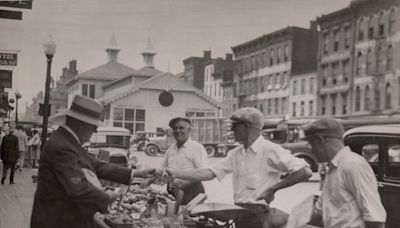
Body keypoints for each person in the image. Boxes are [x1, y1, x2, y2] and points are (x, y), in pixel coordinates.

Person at [166, 107, 312, 228]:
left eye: (234, 127)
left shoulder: (269, 149)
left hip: (258, 216)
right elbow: (209, 173)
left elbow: (305, 171)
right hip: (240, 214)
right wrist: (175, 173)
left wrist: (273, 188)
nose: (232, 131)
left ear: (246, 127)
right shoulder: (236, 153)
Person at [30, 95, 156, 228]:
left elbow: (96, 165)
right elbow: (78, 189)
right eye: (93, 126)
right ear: (81, 124)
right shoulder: (63, 146)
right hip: (58, 221)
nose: (95, 130)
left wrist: (137, 173)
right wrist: (107, 197)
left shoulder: (66, 140)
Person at [302, 118, 386, 228]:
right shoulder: (333, 168)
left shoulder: (352, 164)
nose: (312, 150)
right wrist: (289, 219)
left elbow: (375, 219)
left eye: (311, 144)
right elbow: (320, 211)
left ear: (321, 140)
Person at [161, 116, 208, 205]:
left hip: (192, 192)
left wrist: (182, 184)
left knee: (191, 217)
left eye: (181, 128)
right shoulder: (171, 149)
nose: (178, 131)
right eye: (175, 128)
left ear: (189, 130)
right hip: (172, 192)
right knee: (173, 216)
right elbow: (163, 168)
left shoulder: (197, 148)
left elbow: (203, 174)